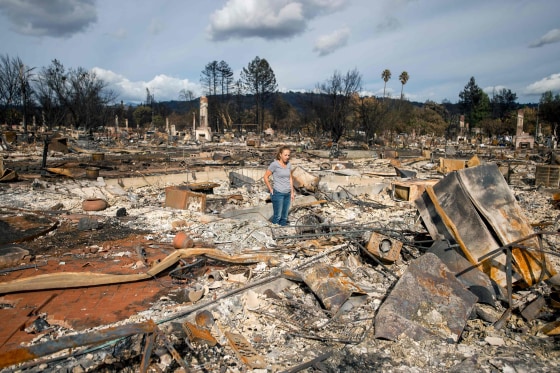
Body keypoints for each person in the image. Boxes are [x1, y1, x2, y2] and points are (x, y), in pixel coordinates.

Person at [264, 145, 294, 226]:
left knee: (284, 217)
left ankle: (282, 233)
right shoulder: (274, 164)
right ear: (280, 154)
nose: (287, 157)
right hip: (278, 193)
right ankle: (274, 232)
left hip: (287, 194)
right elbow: (266, 177)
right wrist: (270, 189)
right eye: (285, 155)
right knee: (277, 216)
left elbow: (290, 178)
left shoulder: (289, 165)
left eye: (288, 155)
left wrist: (292, 192)